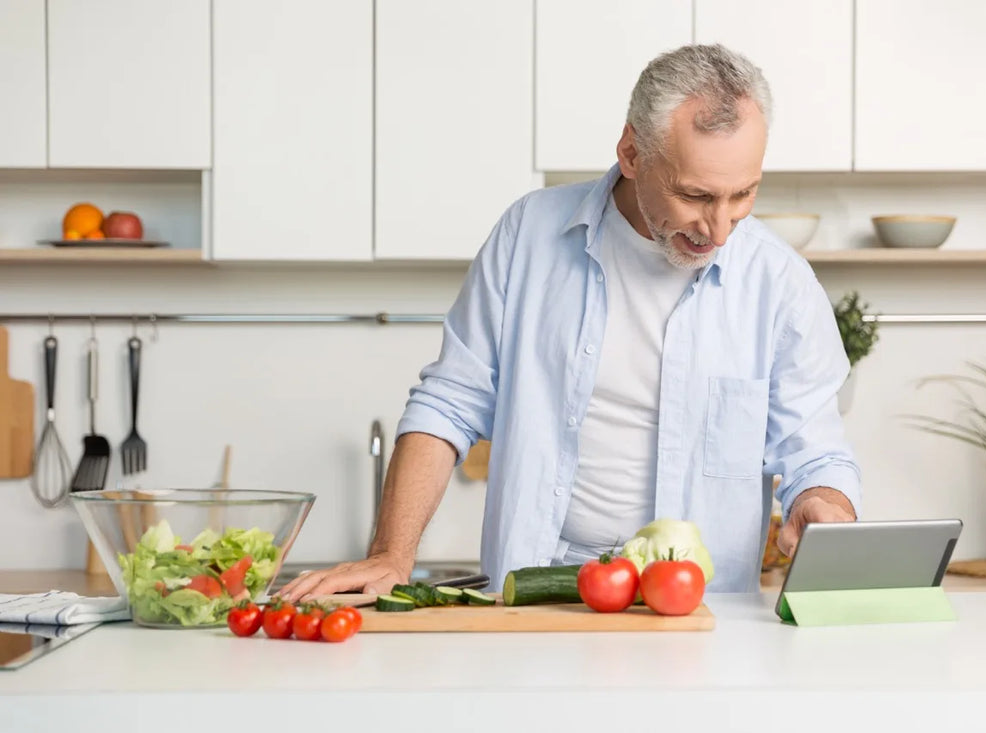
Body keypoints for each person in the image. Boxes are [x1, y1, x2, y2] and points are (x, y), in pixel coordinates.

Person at [280, 43, 859, 602]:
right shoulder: (528, 235)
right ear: (632, 153)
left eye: (743, 195)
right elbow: (450, 404)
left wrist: (824, 502)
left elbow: (815, 451)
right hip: (536, 590)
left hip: (698, 607)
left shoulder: (779, 280)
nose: (720, 228)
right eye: (694, 195)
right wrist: (391, 554)